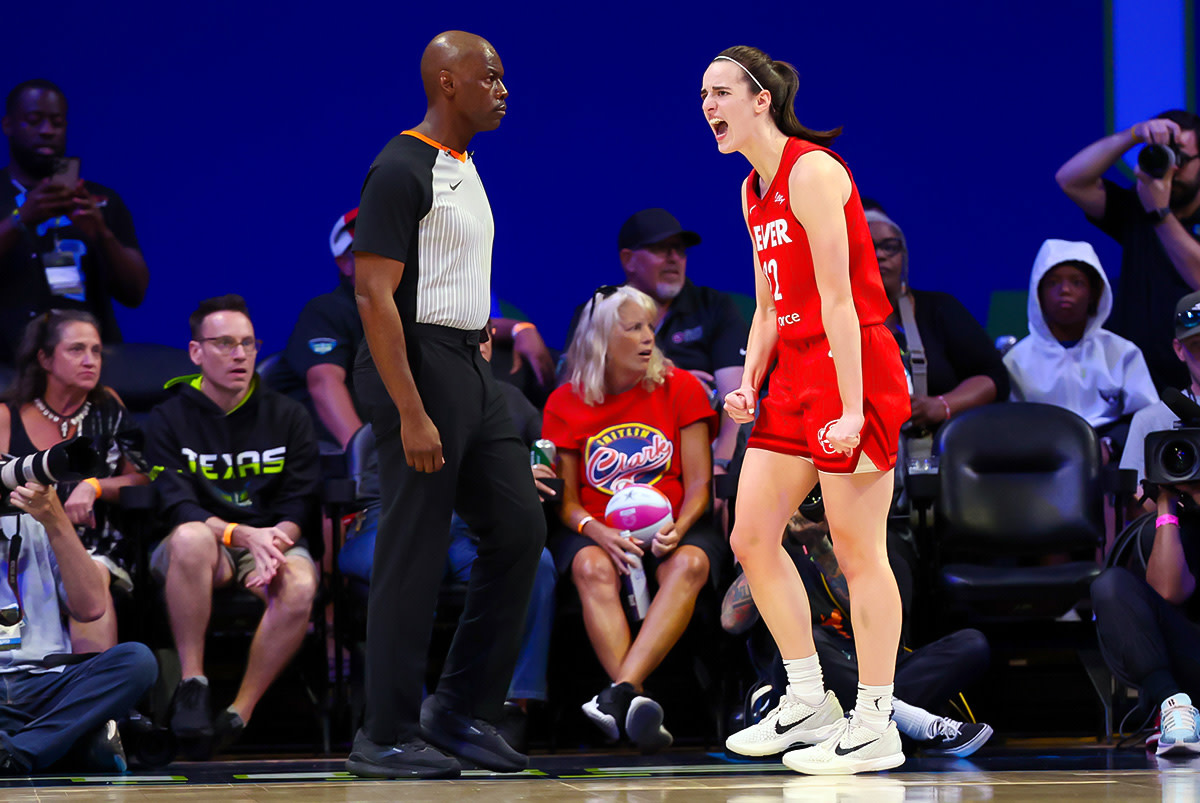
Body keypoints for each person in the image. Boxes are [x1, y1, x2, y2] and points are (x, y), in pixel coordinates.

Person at [701, 46, 911, 774]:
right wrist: (752, 377)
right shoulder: (750, 191)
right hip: (792, 373)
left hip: (854, 365)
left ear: (761, 100)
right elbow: (767, 302)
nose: (709, 106)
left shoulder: (815, 171)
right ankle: (808, 697)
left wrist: (853, 408)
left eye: (721, 92)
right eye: (704, 96)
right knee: (751, 535)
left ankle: (877, 718)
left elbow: (840, 299)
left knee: (858, 553)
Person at [346, 31, 545, 780]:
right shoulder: (400, 166)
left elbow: (453, 268)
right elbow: (373, 293)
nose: (503, 88)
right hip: (414, 367)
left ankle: (459, 712)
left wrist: (480, 332)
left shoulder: (464, 165)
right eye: (489, 76)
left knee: (520, 528)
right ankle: (386, 733)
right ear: (447, 82)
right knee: (415, 548)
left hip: (465, 361)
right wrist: (410, 408)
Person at [337, 333, 559, 751]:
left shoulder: (508, 402)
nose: (479, 345)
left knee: (536, 558)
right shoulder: (413, 386)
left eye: (484, 337)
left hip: (467, 527)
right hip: (385, 517)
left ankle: (502, 705)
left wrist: (528, 475)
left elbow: (542, 457)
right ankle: (403, 719)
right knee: (416, 560)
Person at [543, 285, 723, 753]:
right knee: (590, 567)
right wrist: (595, 531)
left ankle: (619, 694)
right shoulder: (566, 401)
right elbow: (564, 501)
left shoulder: (681, 387)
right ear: (603, 337)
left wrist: (679, 529)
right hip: (595, 527)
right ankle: (636, 701)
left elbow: (702, 484)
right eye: (634, 328)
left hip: (676, 521)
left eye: (650, 327)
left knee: (690, 565)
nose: (648, 337)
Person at [145, 294, 320, 757]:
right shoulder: (168, 418)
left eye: (247, 343)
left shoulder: (288, 415)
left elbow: (300, 499)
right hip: (205, 547)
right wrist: (240, 535)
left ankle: (238, 712)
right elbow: (176, 504)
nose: (239, 354)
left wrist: (276, 542)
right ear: (196, 352)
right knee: (190, 538)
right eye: (224, 344)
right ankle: (193, 684)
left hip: (269, 542)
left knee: (301, 584)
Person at [722, 507, 993, 758]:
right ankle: (916, 724)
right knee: (811, 642)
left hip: (872, 671)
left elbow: (887, 630)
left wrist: (822, 549)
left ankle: (879, 723)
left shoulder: (879, 556)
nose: (814, 510)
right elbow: (731, 620)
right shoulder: (773, 560)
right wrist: (771, 547)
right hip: (804, 686)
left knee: (973, 644)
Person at [0, 310, 149, 654]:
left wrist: (95, 485)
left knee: (90, 576)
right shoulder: (8, 414)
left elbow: (142, 476)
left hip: (96, 548)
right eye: (77, 350)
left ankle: (92, 700)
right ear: (45, 358)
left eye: (96, 351)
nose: (90, 361)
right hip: (24, 548)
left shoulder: (108, 405)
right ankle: (19, 687)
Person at [565, 209, 748, 479]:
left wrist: (721, 465)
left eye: (680, 250)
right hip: (614, 444)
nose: (674, 258)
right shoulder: (598, 311)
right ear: (628, 260)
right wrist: (668, 380)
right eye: (661, 249)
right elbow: (570, 391)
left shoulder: (715, 307)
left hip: (699, 445)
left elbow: (737, 399)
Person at [0, 479, 157, 774]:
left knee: (137, 661)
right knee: (83, 735)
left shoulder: (33, 517)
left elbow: (91, 607)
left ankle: (16, 751)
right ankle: (62, 745)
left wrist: (54, 517)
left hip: (47, 682)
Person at [0, 80, 149, 365]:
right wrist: (21, 219)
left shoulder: (99, 200)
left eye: (56, 123)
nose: (47, 131)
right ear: (7, 125)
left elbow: (135, 293)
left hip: (87, 368)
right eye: (34, 121)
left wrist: (102, 234)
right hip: (6, 367)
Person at [1055, 111, 1200, 391]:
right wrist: (1133, 134)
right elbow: (1070, 180)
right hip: (1133, 385)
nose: (1172, 168)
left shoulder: (1152, 208)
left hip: (1193, 384)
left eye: (1180, 158)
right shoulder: (1140, 205)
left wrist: (1161, 215)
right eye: (1164, 155)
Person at [1003, 239, 1157, 458]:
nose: (1065, 290)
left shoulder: (1121, 352)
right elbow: (1009, 426)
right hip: (1038, 463)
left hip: (1110, 461)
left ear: (1094, 293)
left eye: (1077, 282)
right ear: (1038, 294)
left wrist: (1110, 445)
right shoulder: (1016, 360)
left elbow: (1147, 416)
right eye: (1053, 283)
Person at [866, 209, 1008, 433]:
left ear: (903, 255)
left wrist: (942, 405)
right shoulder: (822, 319)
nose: (881, 255)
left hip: (933, 452)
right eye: (867, 245)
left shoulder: (939, 309)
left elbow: (993, 377)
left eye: (890, 246)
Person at [271, 209, 366, 450]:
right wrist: (364, 457)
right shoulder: (326, 311)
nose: (385, 258)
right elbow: (324, 384)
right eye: (370, 250)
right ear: (345, 264)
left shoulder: (419, 312)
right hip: (322, 459)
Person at [1122, 289, 1200, 491]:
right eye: (1197, 345)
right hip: (1173, 521)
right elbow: (1133, 507)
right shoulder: (1150, 421)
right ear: (1179, 350)